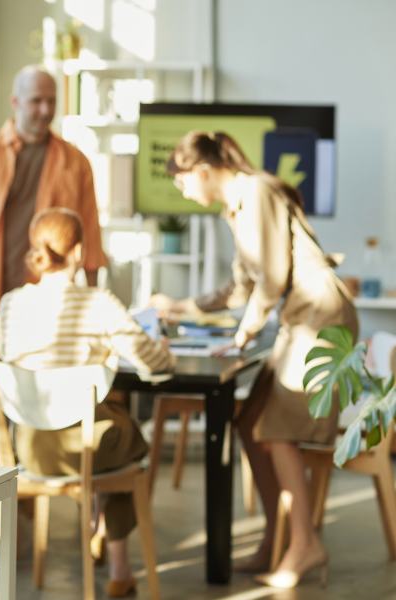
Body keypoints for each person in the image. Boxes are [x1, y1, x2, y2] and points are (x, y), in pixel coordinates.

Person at [150, 131, 358, 588]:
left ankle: (304, 543)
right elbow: (242, 288)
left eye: (183, 181)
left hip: (320, 318)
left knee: (276, 429)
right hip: (300, 318)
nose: (183, 191)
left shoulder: (257, 192)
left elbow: (273, 276)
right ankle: (277, 537)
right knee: (249, 422)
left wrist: (245, 333)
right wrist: (183, 306)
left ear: (202, 170)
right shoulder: (237, 208)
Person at [0, 208, 175, 598]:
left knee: (112, 429)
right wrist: (164, 350)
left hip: (27, 449)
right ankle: (119, 566)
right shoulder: (99, 304)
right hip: (84, 449)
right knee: (130, 440)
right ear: (77, 252)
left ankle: (99, 531)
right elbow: (154, 365)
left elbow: (11, 360)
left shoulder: (11, 304)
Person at [0, 64, 107, 366]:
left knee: (34, 396)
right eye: (36, 100)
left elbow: (90, 234)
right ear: (15, 101)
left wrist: (91, 295)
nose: (45, 110)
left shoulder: (76, 163)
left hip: (43, 302)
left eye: (52, 101)